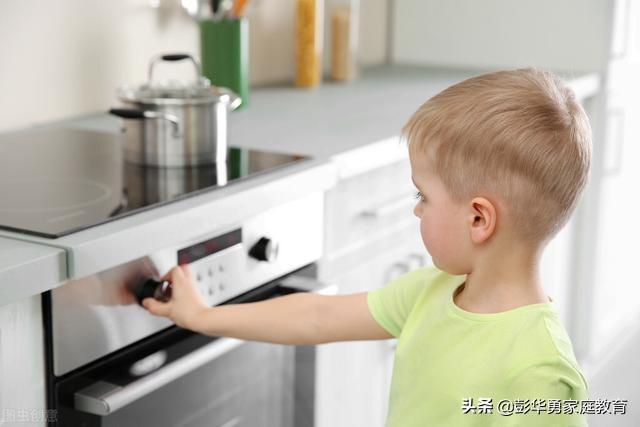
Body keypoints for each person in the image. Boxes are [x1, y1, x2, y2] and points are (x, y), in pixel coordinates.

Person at [143, 67, 591, 426]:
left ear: (478, 219)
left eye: (423, 196)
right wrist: (203, 316)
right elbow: (316, 317)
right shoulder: (431, 293)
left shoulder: (540, 373)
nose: (416, 209)